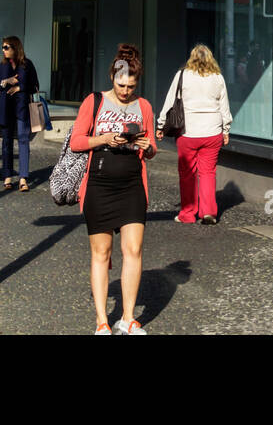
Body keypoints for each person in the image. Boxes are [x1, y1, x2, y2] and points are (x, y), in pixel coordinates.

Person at [70, 43, 157, 336]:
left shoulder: (143, 106)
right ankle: (102, 321)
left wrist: (147, 146)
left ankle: (129, 318)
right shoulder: (93, 102)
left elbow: (153, 148)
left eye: (131, 86)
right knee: (102, 252)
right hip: (99, 184)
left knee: (133, 250)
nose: (125, 91)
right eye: (121, 84)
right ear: (112, 77)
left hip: (132, 184)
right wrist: (105, 138)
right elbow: (77, 142)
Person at [157, 44, 232, 226]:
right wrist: (226, 129)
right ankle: (209, 213)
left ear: (191, 58)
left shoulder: (182, 75)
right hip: (213, 132)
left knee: (187, 174)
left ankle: (188, 214)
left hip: (188, 132)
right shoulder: (218, 77)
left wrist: (160, 124)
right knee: (208, 173)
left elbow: (170, 101)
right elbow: (224, 106)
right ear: (210, 58)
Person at [0, 36, 39, 192]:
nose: (3, 50)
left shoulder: (27, 64)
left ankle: (23, 177)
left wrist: (19, 87)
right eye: (3, 47)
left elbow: (35, 85)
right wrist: (6, 81)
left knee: (23, 140)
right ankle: (7, 176)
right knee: (7, 143)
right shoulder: (2, 66)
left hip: (21, 108)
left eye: (6, 47)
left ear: (15, 48)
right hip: (6, 108)